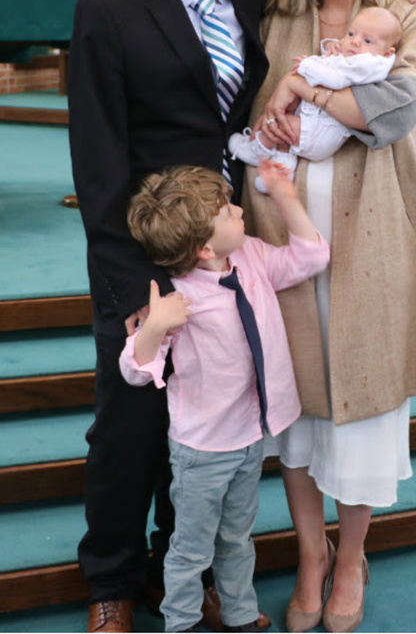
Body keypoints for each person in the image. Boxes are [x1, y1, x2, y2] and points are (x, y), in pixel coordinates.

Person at [67, 0, 416, 632]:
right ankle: (110, 579)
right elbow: (99, 167)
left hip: (241, 242)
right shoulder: (108, 9)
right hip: (152, 250)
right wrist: (132, 291)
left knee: (218, 419)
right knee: (132, 424)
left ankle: (192, 568)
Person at [242, 0, 416, 633]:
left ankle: (354, 554)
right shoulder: (276, 9)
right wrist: (295, 92)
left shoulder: (408, 10)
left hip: (377, 225)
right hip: (284, 221)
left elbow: (400, 109)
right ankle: (310, 555)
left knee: (365, 396)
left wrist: (297, 89)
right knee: (297, 399)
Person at [120, 162, 328, 632]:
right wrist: (154, 326)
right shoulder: (180, 298)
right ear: (204, 247)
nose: (239, 210)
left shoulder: (250, 257)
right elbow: (135, 371)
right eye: (228, 211)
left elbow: (311, 256)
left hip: (249, 437)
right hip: (202, 449)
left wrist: (284, 195)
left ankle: (236, 615)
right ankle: (183, 622)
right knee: (191, 548)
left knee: (237, 538)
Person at [226, 6, 402, 193]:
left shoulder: (368, 64)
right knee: (285, 120)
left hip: (322, 130)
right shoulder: (363, 55)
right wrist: (332, 47)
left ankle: (257, 149)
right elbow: (334, 60)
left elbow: (335, 78)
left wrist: (307, 66)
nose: (355, 42)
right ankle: (283, 168)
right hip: (314, 120)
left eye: (367, 40)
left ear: (387, 53)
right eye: (351, 33)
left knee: (280, 123)